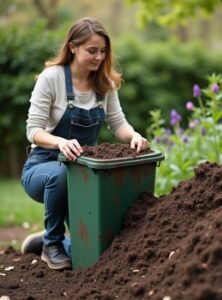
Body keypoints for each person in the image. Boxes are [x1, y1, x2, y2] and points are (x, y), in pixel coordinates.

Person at [21, 17, 149, 270]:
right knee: (60, 173)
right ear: (72, 47)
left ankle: (47, 243)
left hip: (83, 175)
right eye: (92, 50)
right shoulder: (51, 78)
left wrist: (134, 135)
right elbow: (33, 130)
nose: (99, 57)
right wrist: (59, 142)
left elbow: (118, 124)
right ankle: (52, 244)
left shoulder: (105, 85)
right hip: (43, 169)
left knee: (95, 254)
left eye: (103, 51)